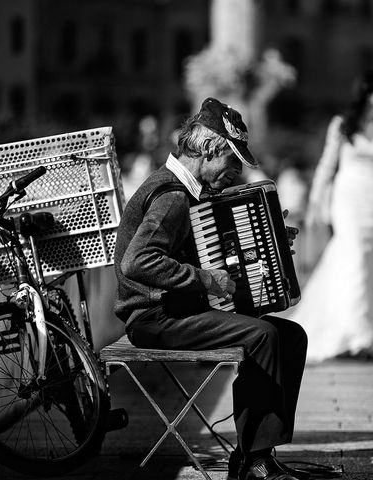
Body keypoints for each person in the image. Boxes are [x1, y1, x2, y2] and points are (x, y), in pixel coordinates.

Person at [113, 97, 307, 480]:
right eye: (232, 160)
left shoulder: (189, 192)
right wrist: (205, 279)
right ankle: (254, 462)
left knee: (291, 336)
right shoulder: (170, 196)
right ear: (208, 150)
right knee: (263, 335)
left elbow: (203, 245)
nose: (236, 171)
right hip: (154, 317)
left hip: (175, 309)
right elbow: (135, 262)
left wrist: (269, 240)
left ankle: (255, 454)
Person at [291, 70, 373, 362]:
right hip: (348, 200)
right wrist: (314, 202)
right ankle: (355, 333)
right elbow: (327, 165)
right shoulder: (342, 125)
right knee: (354, 257)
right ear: (368, 93)